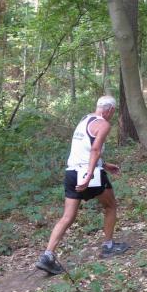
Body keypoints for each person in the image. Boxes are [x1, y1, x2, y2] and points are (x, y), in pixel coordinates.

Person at [35, 96, 129, 275]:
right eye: (113, 112)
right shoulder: (103, 124)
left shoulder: (85, 119)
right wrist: (89, 174)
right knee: (110, 206)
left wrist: (104, 165)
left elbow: (83, 149)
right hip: (88, 174)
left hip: (71, 172)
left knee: (67, 216)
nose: (112, 115)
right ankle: (108, 246)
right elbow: (95, 149)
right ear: (109, 110)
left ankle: (47, 256)